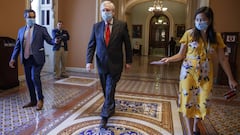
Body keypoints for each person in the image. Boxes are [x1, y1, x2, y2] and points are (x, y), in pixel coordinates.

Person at [151, 7, 238, 135]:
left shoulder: (216, 37)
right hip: (188, 73)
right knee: (188, 103)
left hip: (206, 75)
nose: (199, 22)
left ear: (209, 20)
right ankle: (191, 132)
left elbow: (223, 59)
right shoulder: (189, 34)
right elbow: (181, 55)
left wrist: (231, 78)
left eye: (202, 19)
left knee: (203, 102)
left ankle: (196, 125)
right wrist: (168, 59)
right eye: (197, 19)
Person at [86, 1, 132, 129]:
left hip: (116, 64)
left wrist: (129, 61)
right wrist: (88, 61)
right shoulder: (96, 26)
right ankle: (110, 105)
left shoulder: (121, 25)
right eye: (103, 10)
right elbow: (91, 45)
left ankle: (104, 116)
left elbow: (127, 45)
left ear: (113, 12)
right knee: (106, 89)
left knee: (110, 87)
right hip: (101, 64)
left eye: (107, 10)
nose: (105, 12)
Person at [9, 9, 55, 111]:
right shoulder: (21, 31)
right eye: (30, 17)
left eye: (33, 17)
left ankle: (40, 99)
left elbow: (49, 40)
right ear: (25, 18)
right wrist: (13, 58)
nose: (32, 19)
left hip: (37, 58)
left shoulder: (41, 29)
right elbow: (17, 46)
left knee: (35, 77)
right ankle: (33, 100)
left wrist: (55, 41)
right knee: (29, 80)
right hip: (26, 59)